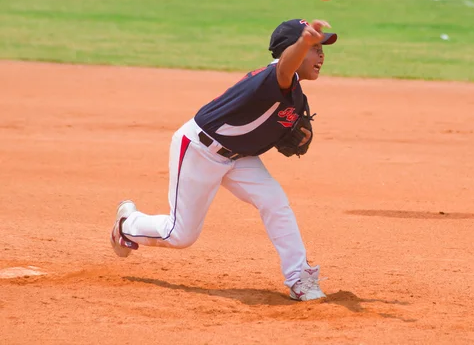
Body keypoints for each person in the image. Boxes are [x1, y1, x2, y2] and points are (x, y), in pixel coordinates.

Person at [110, 19, 338, 301]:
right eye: (315, 48)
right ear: (294, 49)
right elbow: (284, 66)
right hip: (200, 149)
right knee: (180, 235)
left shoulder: (296, 98)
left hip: (240, 157)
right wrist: (303, 42)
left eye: (320, 48)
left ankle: (299, 277)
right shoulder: (273, 78)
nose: (321, 54)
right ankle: (128, 224)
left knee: (275, 201)